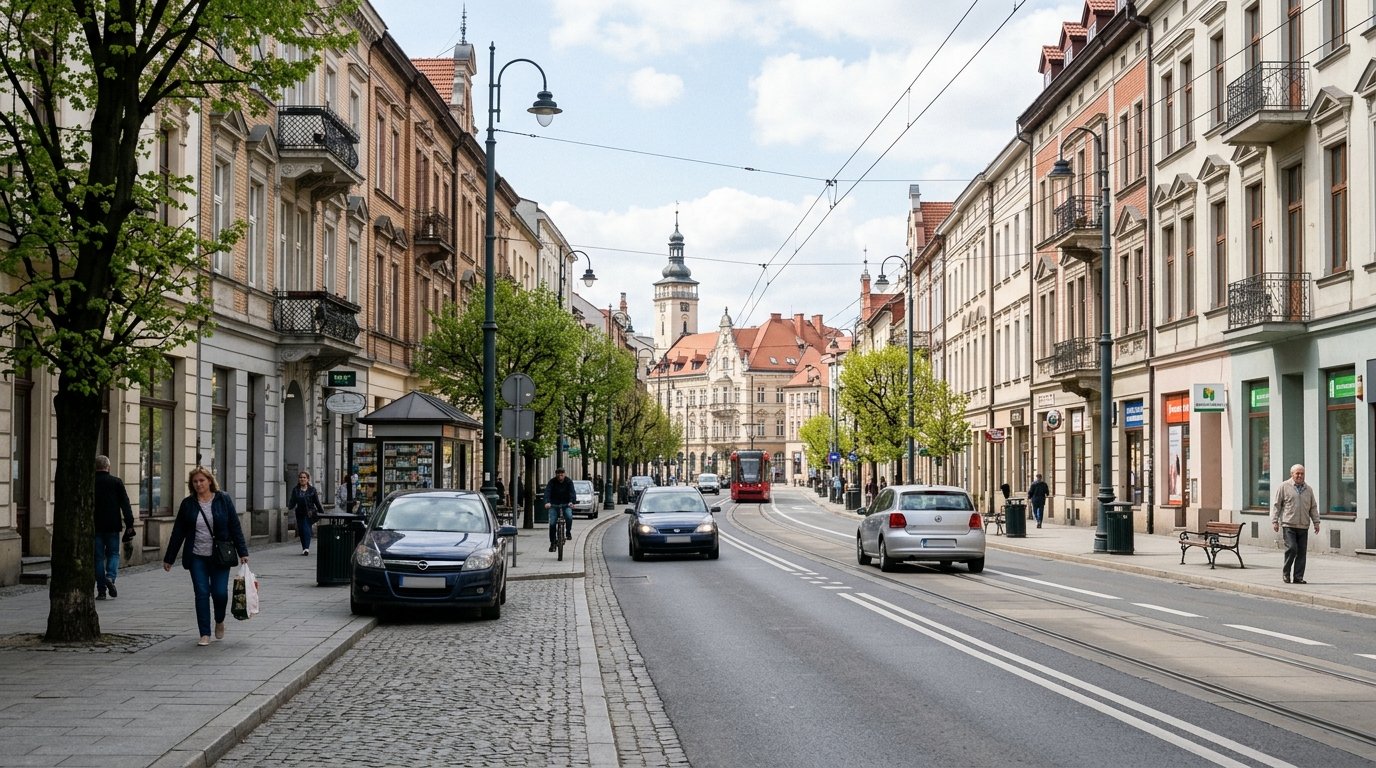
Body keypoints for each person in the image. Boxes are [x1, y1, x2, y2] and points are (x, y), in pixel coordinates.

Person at [162, 467, 248, 647]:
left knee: (220, 593)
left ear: (209, 481)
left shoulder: (223, 499)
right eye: (195, 481)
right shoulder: (188, 504)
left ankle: (219, 620)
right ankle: (204, 633)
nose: (198, 484)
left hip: (220, 556)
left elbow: (234, 526)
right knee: (201, 593)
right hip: (196, 556)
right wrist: (169, 558)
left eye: (202, 480)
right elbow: (178, 532)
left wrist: (243, 552)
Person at [93, 455, 136, 600]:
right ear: (108, 467)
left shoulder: (91, 482)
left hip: (95, 526)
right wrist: (129, 523)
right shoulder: (116, 482)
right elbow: (125, 504)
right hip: (112, 525)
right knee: (113, 554)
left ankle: (101, 591)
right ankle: (110, 577)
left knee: (98, 558)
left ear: (95, 467)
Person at [1272, 463, 1320, 584]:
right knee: (1292, 548)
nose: (1300, 476)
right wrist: (1275, 521)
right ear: (1292, 474)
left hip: (1303, 525)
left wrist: (1316, 522)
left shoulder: (1308, 489)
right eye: (1297, 473)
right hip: (1289, 524)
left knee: (1302, 553)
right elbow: (1277, 505)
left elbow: (1313, 507)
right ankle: (1286, 573)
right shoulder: (1284, 487)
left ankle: (1298, 577)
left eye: (1302, 473)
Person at [288, 470, 325, 556]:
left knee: (306, 528)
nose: (302, 479)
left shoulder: (312, 490)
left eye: (304, 477)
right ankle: (304, 548)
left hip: (309, 513)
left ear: (308, 479)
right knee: (301, 530)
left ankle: (306, 548)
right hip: (299, 513)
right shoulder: (296, 490)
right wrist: (289, 507)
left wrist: (321, 512)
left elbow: (317, 502)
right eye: (301, 477)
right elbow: (292, 501)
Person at [544, 467, 576, 552]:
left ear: (564, 474)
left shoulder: (569, 482)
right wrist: (547, 502)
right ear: (556, 474)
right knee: (552, 523)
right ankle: (553, 543)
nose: (560, 476)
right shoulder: (552, 482)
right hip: (554, 505)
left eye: (562, 474)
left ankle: (568, 532)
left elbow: (572, 492)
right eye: (558, 474)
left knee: (569, 516)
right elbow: (547, 492)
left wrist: (571, 502)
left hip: (566, 504)